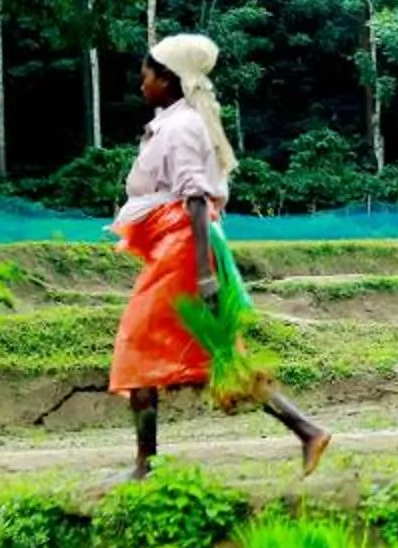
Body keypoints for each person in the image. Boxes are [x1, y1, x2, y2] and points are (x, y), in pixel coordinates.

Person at [108, 33, 330, 482]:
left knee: (135, 345)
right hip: (177, 247)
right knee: (219, 356)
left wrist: (205, 275)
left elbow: (195, 199)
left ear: (168, 80)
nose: (141, 80)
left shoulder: (182, 126)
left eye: (147, 73)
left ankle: (144, 466)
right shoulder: (173, 121)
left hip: (183, 250)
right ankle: (306, 430)